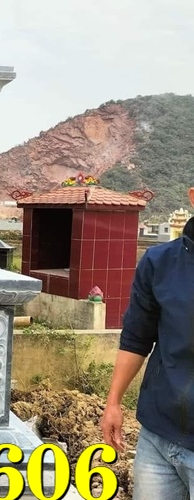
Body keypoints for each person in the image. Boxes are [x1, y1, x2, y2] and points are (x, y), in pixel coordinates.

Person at [101, 188, 194, 499]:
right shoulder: (160, 262)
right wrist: (113, 402)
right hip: (157, 437)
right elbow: (136, 338)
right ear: (193, 197)